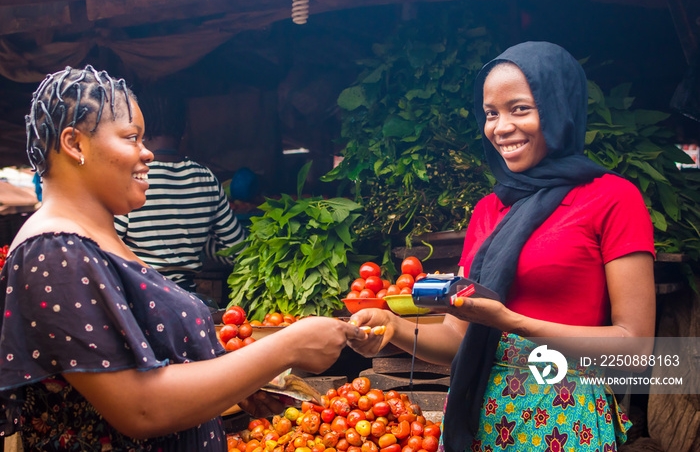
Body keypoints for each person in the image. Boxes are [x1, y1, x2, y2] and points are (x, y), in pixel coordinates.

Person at [0, 65, 364, 451]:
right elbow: (141, 410)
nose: (148, 152)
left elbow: (148, 366)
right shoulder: (56, 253)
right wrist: (287, 346)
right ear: (75, 145)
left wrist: (236, 385)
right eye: (131, 137)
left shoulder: (96, 239)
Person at [348, 41, 656, 452]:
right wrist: (393, 327)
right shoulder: (489, 210)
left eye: (520, 109)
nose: (500, 127)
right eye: (491, 113)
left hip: (563, 419)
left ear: (559, 108)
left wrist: (512, 322)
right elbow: (460, 338)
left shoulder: (612, 198)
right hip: (484, 418)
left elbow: (634, 345)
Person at [113, 86, 246, 300]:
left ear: (139, 126)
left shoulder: (132, 177)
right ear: (185, 128)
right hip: (187, 300)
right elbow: (237, 252)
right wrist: (198, 244)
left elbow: (108, 249)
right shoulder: (206, 178)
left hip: (138, 298)